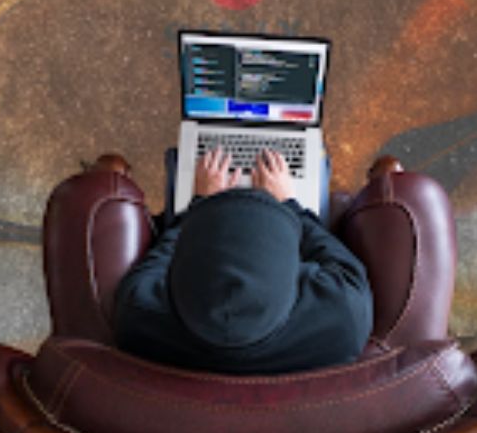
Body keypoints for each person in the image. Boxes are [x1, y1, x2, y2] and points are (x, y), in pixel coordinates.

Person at [111, 147, 373, 375]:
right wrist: (288, 204)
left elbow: (162, 255)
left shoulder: (137, 314)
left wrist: (201, 203)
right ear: (293, 271)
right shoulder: (344, 320)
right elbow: (335, 255)